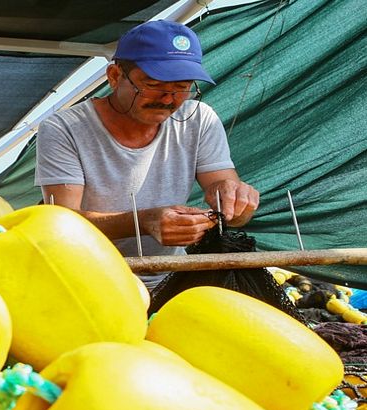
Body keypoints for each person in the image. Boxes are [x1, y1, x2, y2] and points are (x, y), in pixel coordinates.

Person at [35, 20, 259, 289]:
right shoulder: (64, 128)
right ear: (115, 76)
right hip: (84, 280)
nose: (167, 99)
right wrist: (144, 221)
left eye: (181, 88)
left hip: (169, 278)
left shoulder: (199, 119)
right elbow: (63, 222)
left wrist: (235, 202)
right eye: (153, 85)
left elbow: (232, 205)